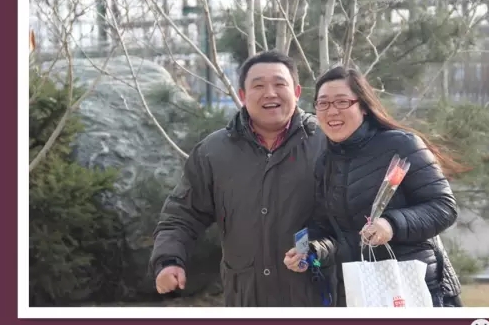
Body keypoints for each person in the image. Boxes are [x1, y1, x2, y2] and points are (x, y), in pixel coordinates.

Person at [149, 50, 330, 307]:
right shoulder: (214, 152)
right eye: (258, 86)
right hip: (246, 298)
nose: (270, 93)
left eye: (280, 84)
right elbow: (182, 215)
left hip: (317, 297)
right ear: (243, 95)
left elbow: (353, 217)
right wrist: (169, 260)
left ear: (297, 92)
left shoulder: (327, 144)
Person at [283, 65, 466, 307]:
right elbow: (328, 229)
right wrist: (310, 250)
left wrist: (391, 224)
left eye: (342, 102)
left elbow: (444, 208)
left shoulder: (402, 145)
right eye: (323, 103)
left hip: (416, 289)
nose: (332, 111)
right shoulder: (325, 162)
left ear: (363, 106)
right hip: (362, 291)